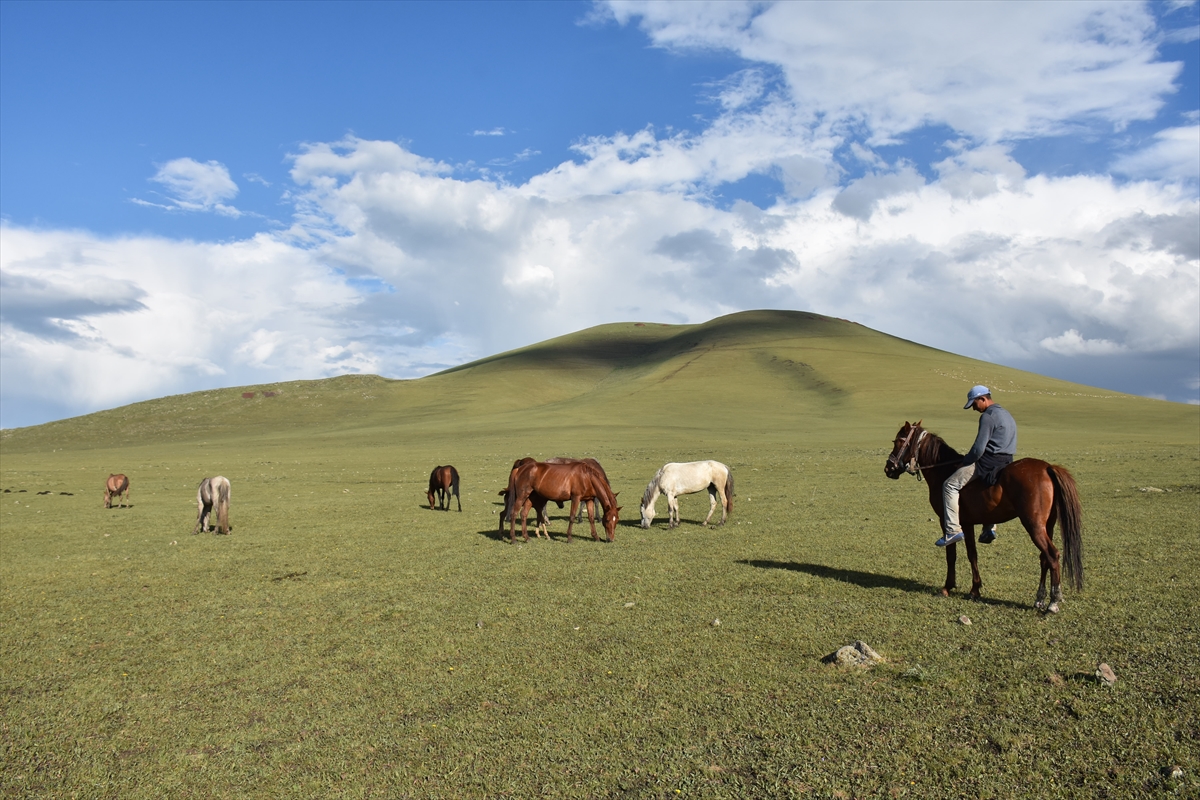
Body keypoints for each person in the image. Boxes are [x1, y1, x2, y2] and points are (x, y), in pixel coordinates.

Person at [936, 385, 1016, 547]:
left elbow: (979, 449)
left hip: (988, 463)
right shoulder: (1006, 414)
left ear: (983, 399)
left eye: (974, 404)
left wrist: (965, 462)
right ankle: (989, 527)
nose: (973, 408)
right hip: (1007, 461)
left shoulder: (988, 416)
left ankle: (952, 530)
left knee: (949, 485)